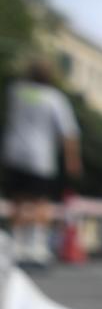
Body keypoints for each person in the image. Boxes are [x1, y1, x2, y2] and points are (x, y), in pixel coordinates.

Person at [2, 59, 81, 268]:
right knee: (40, 203)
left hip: (14, 153)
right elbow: (69, 132)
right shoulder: (54, 98)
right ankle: (36, 247)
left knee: (18, 202)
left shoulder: (15, 91)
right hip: (40, 157)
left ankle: (16, 245)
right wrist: (72, 161)